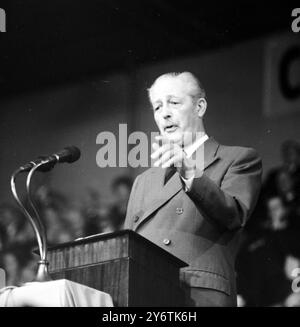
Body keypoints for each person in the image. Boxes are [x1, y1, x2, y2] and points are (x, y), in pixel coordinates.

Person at [124, 72, 262, 306]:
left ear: (200, 107)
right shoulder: (143, 181)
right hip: (143, 295)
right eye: (157, 107)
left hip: (196, 294)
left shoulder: (237, 158)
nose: (164, 113)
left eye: (174, 103)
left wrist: (188, 170)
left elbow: (233, 214)